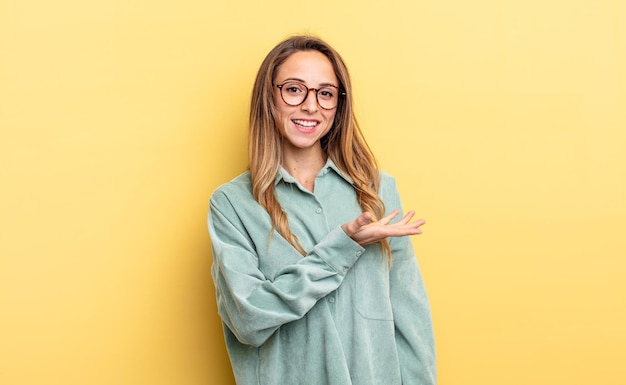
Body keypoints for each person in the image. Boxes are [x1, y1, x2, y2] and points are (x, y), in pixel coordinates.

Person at [208, 35, 436, 385]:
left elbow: (410, 316)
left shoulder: (376, 191)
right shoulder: (232, 205)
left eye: (325, 93)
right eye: (294, 89)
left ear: (338, 105)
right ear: (269, 97)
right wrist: (342, 246)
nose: (311, 106)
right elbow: (248, 319)